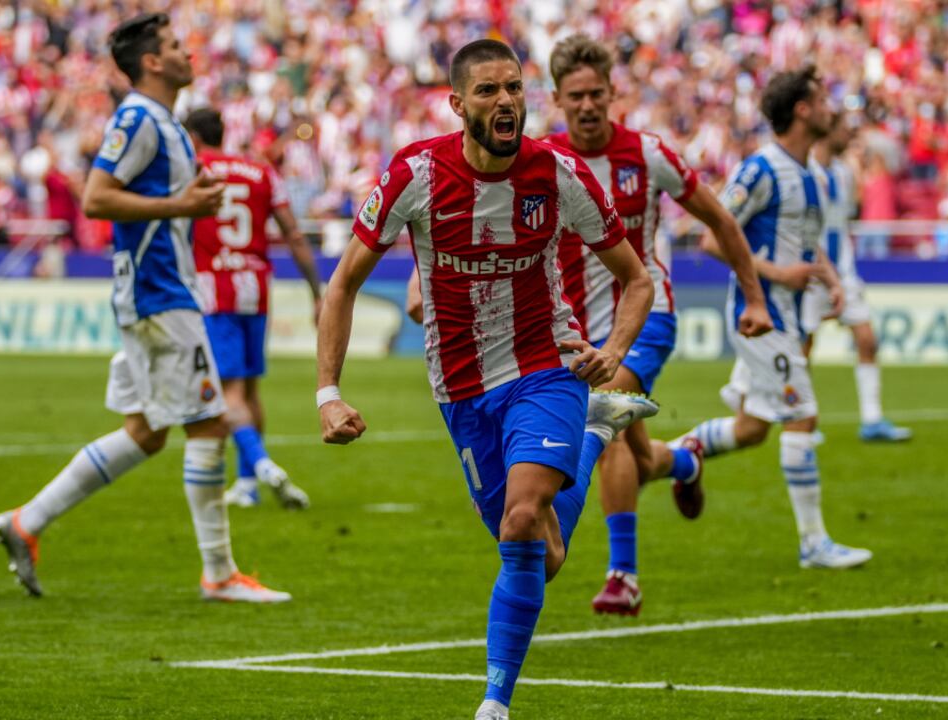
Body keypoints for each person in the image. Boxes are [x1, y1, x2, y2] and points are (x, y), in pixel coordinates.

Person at [316, 40, 657, 720]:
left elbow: (636, 278)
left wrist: (612, 351)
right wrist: (329, 393)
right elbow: (344, 283)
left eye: (513, 88)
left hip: (544, 367)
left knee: (523, 514)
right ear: (458, 104)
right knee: (539, 553)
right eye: (488, 91)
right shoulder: (415, 173)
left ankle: (494, 704)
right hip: (462, 386)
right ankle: (592, 435)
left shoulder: (556, 173)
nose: (505, 101)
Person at [0, 13, 289, 603]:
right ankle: (219, 574)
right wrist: (182, 205)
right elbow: (97, 199)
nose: (188, 53)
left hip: (159, 292)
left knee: (147, 431)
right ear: (151, 61)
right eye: (177, 46)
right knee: (207, 422)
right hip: (159, 295)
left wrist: (187, 203)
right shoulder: (138, 118)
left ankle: (26, 521)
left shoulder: (166, 123)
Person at [542, 34, 773, 616]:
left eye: (597, 93)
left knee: (605, 411)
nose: (589, 105)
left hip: (647, 314)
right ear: (558, 100)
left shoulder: (647, 154)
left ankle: (624, 576)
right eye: (577, 96)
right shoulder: (542, 161)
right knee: (637, 456)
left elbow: (719, 217)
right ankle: (684, 460)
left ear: (614, 92)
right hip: (574, 334)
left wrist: (754, 297)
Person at [667, 66, 872, 570]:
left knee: (754, 427)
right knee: (803, 416)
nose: (831, 109)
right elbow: (712, 238)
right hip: (760, 315)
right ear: (802, 110)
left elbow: (808, 244)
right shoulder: (761, 170)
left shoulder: (813, 176)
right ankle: (813, 544)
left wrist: (831, 279)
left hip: (791, 314)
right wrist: (779, 271)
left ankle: (673, 454)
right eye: (824, 99)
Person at [184, 107, 321, 510]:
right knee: (250, 387)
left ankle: (261, 466)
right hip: (255, 288)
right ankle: (246, 484)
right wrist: (316, 292)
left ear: (193, 137)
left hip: (215, 289)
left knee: (229, 391)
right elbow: (293, 234)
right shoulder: (260, 171)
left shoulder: (193, 168)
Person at [803, 113, 912, 442]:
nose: (849, 136)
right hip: (811, 274)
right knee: (804, 347)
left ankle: (872, 419)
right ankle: (805, 422)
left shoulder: (843, 173)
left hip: (844, 270)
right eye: (842, 130)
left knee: (866, 338)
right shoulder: (806, 173)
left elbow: (843, 220)